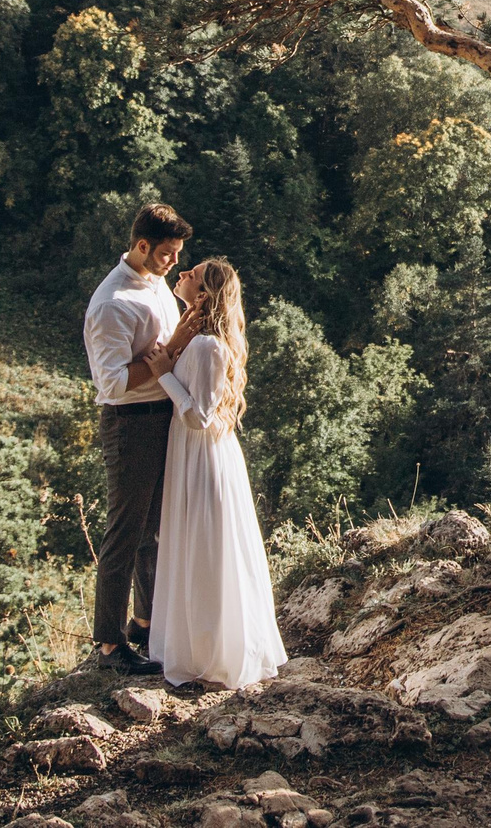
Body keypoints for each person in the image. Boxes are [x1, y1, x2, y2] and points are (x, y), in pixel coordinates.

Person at [146, 258, 287, 691]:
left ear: (204, 294)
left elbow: (200, 417)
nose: (182, 272)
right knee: (193, 545)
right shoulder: (196, 340)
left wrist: (164, 375)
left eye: (192, 273)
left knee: (206, 549)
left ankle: (214, 654)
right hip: (190, 455)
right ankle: (195, 647)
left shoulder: (209, 347)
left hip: (203, 458)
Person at [82, 202, 196, 674]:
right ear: (142, 246)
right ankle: (109, 646)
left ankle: (145, 625)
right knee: (125, 535)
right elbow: (108, 383)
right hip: (130, 424)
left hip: (163, 415)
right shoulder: (112, 303)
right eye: (168, 253)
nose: (174, 262)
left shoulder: (156, 285)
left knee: (154, 531)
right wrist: (162, 359)